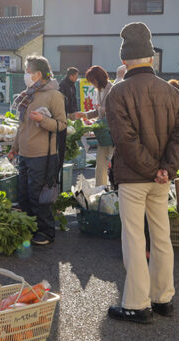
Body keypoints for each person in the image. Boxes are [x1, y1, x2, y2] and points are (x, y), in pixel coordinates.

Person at [106, 22, 179, 323]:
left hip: (133, 177)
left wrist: (152, 169)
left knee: (134, 239)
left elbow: (125, 140)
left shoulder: (118, 92)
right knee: (162, 236)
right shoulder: (172, 92)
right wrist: (165, 169)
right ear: (152, 58)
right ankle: (163, 298)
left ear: (124, 60)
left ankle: (137, 304)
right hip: (160, 178)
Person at [9, 55, 67, 246]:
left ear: (38, 74)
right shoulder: (28, 95)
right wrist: (14, 148)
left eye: (27, 71)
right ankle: (30, 229)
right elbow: (21, 126)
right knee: (24, 193)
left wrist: (43, 120)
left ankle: (46, 232)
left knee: (38, 195)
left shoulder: (54, 95)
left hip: (43, 154)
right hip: (24, 153)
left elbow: (61, 125)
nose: (25, 75)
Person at [75, 65, 114, 186]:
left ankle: (114, 188)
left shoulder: (112, 89)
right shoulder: (99, 90)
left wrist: (101, 110)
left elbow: (113, 110)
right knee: (100, 163)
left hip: (112, 132)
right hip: (103, 133)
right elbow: (98, 111)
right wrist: (85, 115)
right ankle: (100, 189)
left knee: (113, 162)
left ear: (98, 78)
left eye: (92, 80)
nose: (92, 83)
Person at [56, 67, 80, 174]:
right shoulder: (63, 85)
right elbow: (63, 101)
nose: (77, 78)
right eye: (76, 76)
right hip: (63, 114)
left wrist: (74, 111)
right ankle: (59, 162)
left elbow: (73, 99)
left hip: (70, 113)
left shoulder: (72, 85)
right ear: (71, 75)